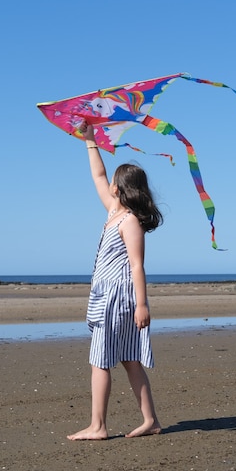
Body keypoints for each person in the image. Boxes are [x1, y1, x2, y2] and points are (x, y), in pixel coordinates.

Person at [67, 120, 163, 440]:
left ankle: (98, 426)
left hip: (119, 297)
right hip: (107, 295)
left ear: (120, 189)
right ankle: (151, 421)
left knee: (101, 360)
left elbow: (137, 265)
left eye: (113, 182)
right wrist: (90, 140)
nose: (107, 184)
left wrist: (142, 304)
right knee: (128, 359)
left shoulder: (130, 221)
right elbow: (97, 175)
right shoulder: (113, 211)